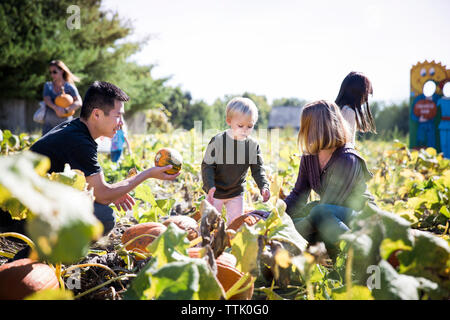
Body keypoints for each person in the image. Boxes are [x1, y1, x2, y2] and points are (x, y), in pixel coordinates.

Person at [30, 81, 180, 235]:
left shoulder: (75, 130)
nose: (121, 123)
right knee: (103, 216)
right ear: (96, 114)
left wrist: (113, 193)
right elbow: (102, 195)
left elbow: (94, 188)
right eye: (118, 116)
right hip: (23, 212)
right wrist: (148, 174)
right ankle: (38, 253)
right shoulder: (79, 141)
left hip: (33, 200)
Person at [283, 100, 376, 254]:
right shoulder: (309, 157)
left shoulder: (347, 159)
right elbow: (298, 194)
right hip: (328, 216)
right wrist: (275, 217)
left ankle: (358, 250)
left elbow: (329, 204)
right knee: (299, 215)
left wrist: (290, 231)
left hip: (360, 218)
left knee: (317, 212)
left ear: (320, 128)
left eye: (306, 127)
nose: (303, 131)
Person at [201, 97, 270, 226]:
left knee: (235, 225)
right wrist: (209, 186)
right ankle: (204, 244)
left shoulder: (252, 146)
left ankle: (231, 245)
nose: (245, 130)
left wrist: (264, 186)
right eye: (240, 126)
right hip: (216, 191)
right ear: (229, 121)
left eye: (249, 126)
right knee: (209, 224)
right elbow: (207, 165)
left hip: (236, 192)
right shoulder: (218, 141)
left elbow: (258, 169)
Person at [335, 71, 377, 146]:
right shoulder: (348, 112)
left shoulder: (335, 110)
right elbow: (346, 146)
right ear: (358, 93)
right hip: (341, 157)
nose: (366, 98)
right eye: (366, 93)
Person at [42, 60, 83, 135]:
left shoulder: (70, 87)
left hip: (65, 125)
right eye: (50, 72)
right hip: (49, 126)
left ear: (62, 71)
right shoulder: (48, 85)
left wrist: (66, 110)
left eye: (54, 72)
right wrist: (56, 108)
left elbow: (79, 102)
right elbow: (46, 99)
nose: (52, 74)